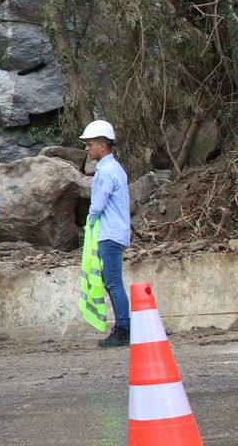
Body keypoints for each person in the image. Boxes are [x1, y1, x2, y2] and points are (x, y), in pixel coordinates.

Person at [83, 120, 131, 347]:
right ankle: (123, 326)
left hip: (109, 233)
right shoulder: (114, 168)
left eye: (89, 144)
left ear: (102, 146)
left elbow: (97, 204)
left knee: (112, 282)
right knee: (111, 280)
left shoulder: (106, 171)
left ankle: (124, 328)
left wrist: (89, 222)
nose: (87, 149)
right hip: (114, 232)